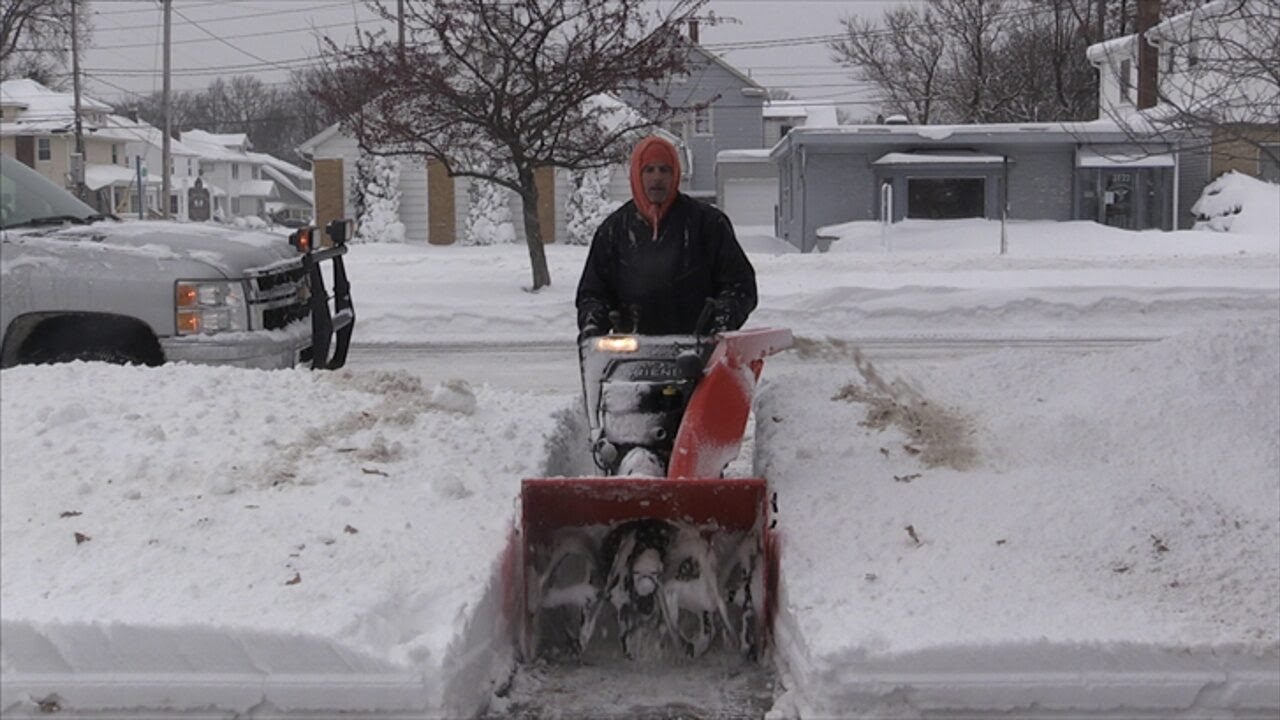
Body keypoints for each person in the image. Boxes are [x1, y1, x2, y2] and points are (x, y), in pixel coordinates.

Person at [575, 135, 757, 341]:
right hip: (632, 352)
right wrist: (592, 325)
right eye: (649, 170)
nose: (657, 177)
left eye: (664, 169)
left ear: (675, 174)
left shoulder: (708, 224)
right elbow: (594, 293)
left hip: (699, 349)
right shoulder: (613, 231)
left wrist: (721, 321)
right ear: (636, 175)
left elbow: (739, 285)